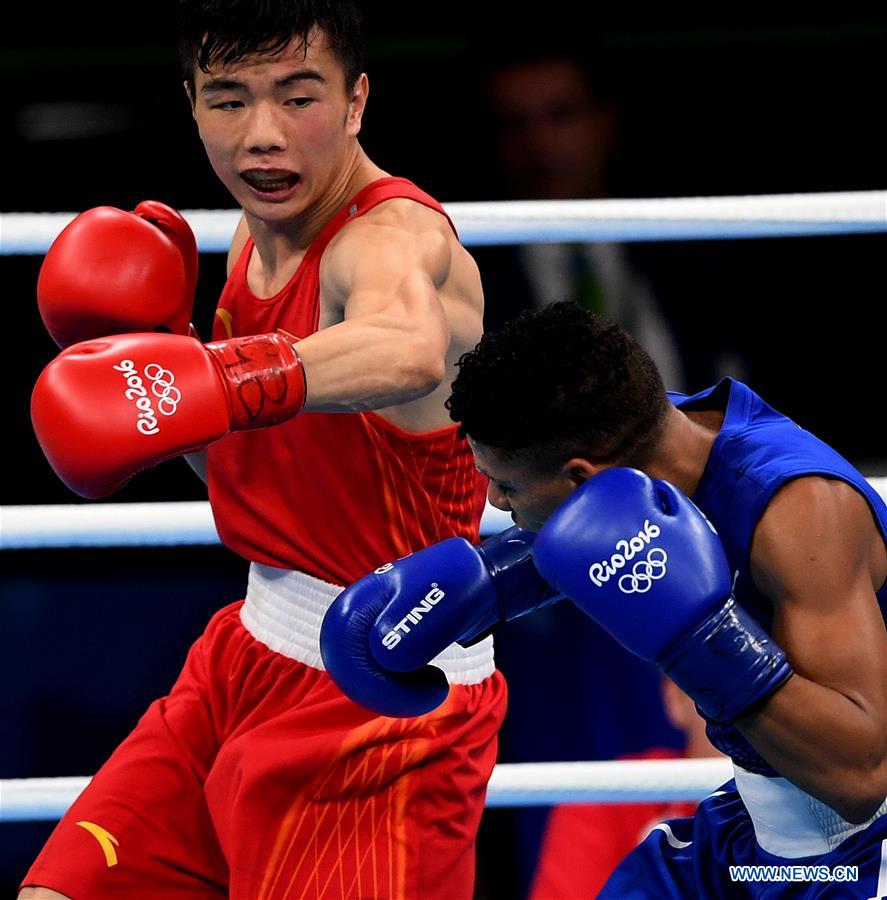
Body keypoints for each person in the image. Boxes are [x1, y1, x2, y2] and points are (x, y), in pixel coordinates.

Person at [22, 2, 508, 897]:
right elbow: (255, 478)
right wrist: (167, 360)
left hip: (383, 702)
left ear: (357, 100)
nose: (263, 138)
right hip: (243, 658)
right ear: (191, 102)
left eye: (297, 98)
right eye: (229, 101)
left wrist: (215, 378)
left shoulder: (391, 239)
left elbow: (407, 344)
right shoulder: (255, 234)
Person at [321, 301, 887, 897]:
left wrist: (703, 642)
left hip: (856, 854)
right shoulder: (662, 435)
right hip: (754, 827)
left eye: (507, 484)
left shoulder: (801, 515)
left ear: (581, 476)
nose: (494, 503)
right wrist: (487, 583)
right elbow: (605, 526)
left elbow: (861, 777)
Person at [469, 40, 686, 390]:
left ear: (604, 122)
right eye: (515, 124)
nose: (540, 143)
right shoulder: (467, 275)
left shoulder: (688, 253)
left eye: (561, 115)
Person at [529, 677, 722, 899]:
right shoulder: (604, 799)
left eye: (770, 689)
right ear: (677, 698)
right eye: (728, 685)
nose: (750, 708)